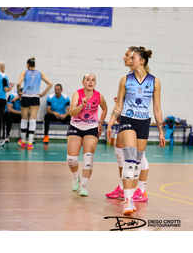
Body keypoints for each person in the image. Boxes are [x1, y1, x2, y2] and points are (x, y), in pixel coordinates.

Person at [107, 46, 166, 215]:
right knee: (130, 159)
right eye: (130, 57)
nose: (130, 60)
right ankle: (127, 201)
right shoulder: (125, 80)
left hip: (144, 123)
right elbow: (119, 105)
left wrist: (161, 130)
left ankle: (132, 196)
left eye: (133, 58)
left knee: (137, 163)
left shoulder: (155, 82)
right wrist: (110, 124)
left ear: (142, 61)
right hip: (127, 120)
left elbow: (156, 107)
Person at [106, 48, 150, 202]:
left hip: (139, 121)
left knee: (138, 157)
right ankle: (123, 187)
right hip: (126, 119)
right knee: (121, 152)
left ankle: (141, 190)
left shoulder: (147, 79)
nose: (125, 58)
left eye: (128, 55)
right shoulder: (127, 78)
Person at [66, 74, 108, 196]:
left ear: (95, 83)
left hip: (91, 127)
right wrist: (82, 105)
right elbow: (71, 113)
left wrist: (100, 122)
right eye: (88, 80)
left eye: (93, 80)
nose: (90, 82)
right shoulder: (77, 94)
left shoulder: (99, 96)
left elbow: (104, 109)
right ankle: (76, 177)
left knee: (88, 157)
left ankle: (84, 185)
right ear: (83, 82)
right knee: (71, 159)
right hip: (76, 126)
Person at [16, 57, 53, 150]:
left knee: (24, 120)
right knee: (32, 120)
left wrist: (19, 92)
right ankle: (30, 143)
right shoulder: (40, 73)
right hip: (35, 97)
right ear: (35, 65)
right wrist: (42, 94)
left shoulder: (24, 72)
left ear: (27, 64)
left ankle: (23, 142)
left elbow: (18, 83)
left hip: (25, 97)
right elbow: (50, 84)